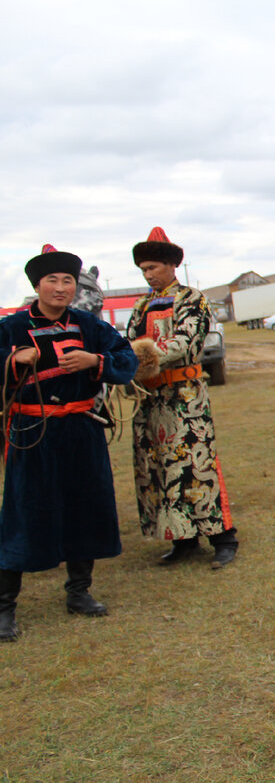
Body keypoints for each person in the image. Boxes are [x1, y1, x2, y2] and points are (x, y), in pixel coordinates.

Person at [0, 248, 138, 642]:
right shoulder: (11, 327)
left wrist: (95, 362)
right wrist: (12, 358)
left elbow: (126, 359)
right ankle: (5, 606)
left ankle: (79, 592)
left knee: (85, 506)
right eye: (52, 281)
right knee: (23, 512)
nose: (61, 288)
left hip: (81, 429)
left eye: (67, 281)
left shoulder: (89, 326)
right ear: (37, 286)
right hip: (31, 432)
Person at [126, 227, 239, 568]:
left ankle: (223, 537)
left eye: (154, 268)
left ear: (172, 266)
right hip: (151, 398)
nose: (149, 275)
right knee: (160, 467)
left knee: (195, 464)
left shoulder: (192, 299)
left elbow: (186, 343)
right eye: (144, 269)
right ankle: (183, 538)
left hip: (184, 398)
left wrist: (140, 357)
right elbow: (130, 338)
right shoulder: (142, 304)